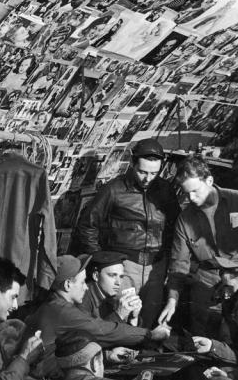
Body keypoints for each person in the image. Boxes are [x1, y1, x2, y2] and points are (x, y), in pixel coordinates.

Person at [74, 138, 177, 327]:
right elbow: (87, 225)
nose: (148, 178)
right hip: (125, 266)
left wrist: (169, 264)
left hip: (157, 267)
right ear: (132, 163)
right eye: (143, 172)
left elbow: (174, 228)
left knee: (148, 320)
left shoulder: (166, 190)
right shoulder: (114, 189)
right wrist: (102, 260)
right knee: (121, 318)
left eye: (154, 173)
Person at [160, 155, 238, 334]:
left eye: (195, 191)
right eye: (186, 193)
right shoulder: (185, 219)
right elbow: (179, 264)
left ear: (209, 180)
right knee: (204, 340)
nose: (191, 198)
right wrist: (172, 299)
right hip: (206, 290)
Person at [25, 254, 168, 377]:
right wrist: (149, 334)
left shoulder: (56, 305)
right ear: (68, 285)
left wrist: (107, 356)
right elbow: (103, 331)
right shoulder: (61, 310)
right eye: (82, 282)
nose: (86, 286)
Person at [78, 251, 142, 324]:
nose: (118, 282)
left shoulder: (109, 299)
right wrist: (119, 314)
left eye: (121, 276)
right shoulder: (81, 299)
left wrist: (133, 318)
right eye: (112, 275)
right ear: (96, 276)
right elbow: (89, 333)